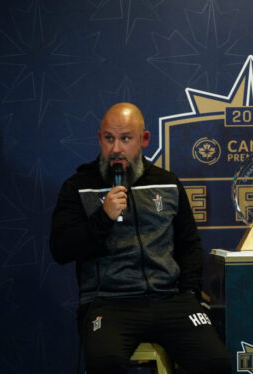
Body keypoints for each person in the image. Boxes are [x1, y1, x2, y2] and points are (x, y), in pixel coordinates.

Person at [50, 102, 231, 374]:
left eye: (125, 138)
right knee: (105, 363)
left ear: (143, 139)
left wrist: (191, 293)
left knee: (216, 362)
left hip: (169, 300)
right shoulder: (78, 186)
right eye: (109, 138)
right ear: (100, 138)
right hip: (109, 304)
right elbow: (60, 249)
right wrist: (103, 217)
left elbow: (189, 245)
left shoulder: (167, 183)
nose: (116, 149)